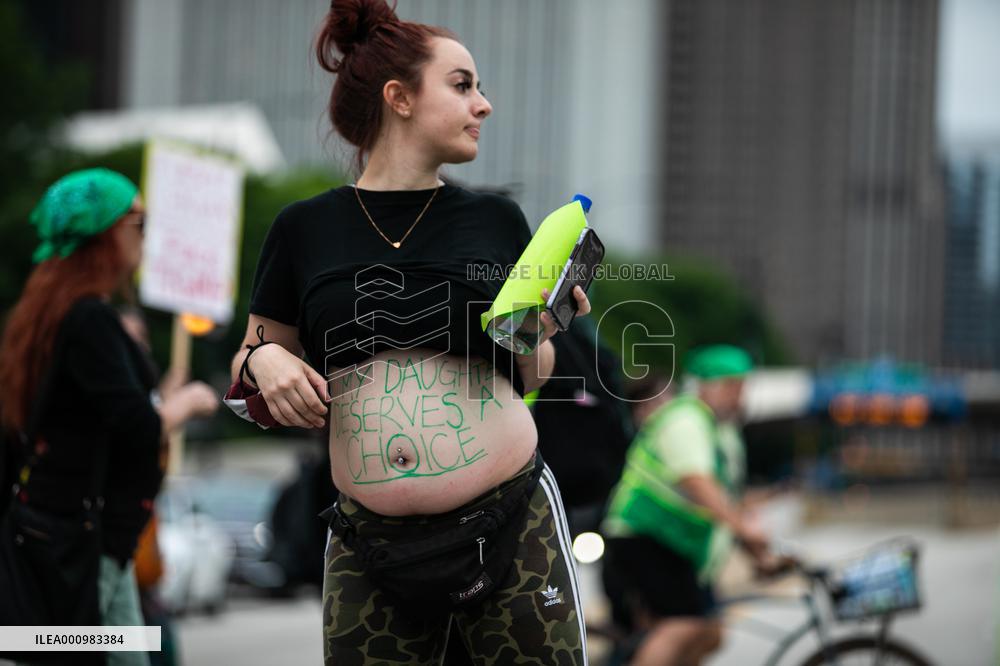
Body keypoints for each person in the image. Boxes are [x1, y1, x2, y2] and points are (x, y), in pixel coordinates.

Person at [223, 1, 593, 663]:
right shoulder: (304, 229)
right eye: (463, 85)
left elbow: (532, 371)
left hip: (510, 519)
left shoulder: (496, 220)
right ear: (399, 98)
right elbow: (249, 357)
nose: (483, 104)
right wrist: (267, 364)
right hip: (370, 543)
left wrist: (540, 326)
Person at [0, 168, 218, 665]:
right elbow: (136, 426)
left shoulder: (43, 313)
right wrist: (185, 404)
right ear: (107, 233)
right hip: (83, 548)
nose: (146, 235)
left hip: (67, 541)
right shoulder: (89, 317)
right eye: (138, 221)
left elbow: (87, 418)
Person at [600, 345, 775, 666]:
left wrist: (758, 554)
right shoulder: (685, 418)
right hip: (644, 534)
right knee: (685, 626)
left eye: (742, 387)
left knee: (709, 632)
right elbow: (696, 481)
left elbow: (725, 500)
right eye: (732, 386)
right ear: (707, 385)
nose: (740, 396)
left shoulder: (716, 428)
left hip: (674, 543)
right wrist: (746, 530)